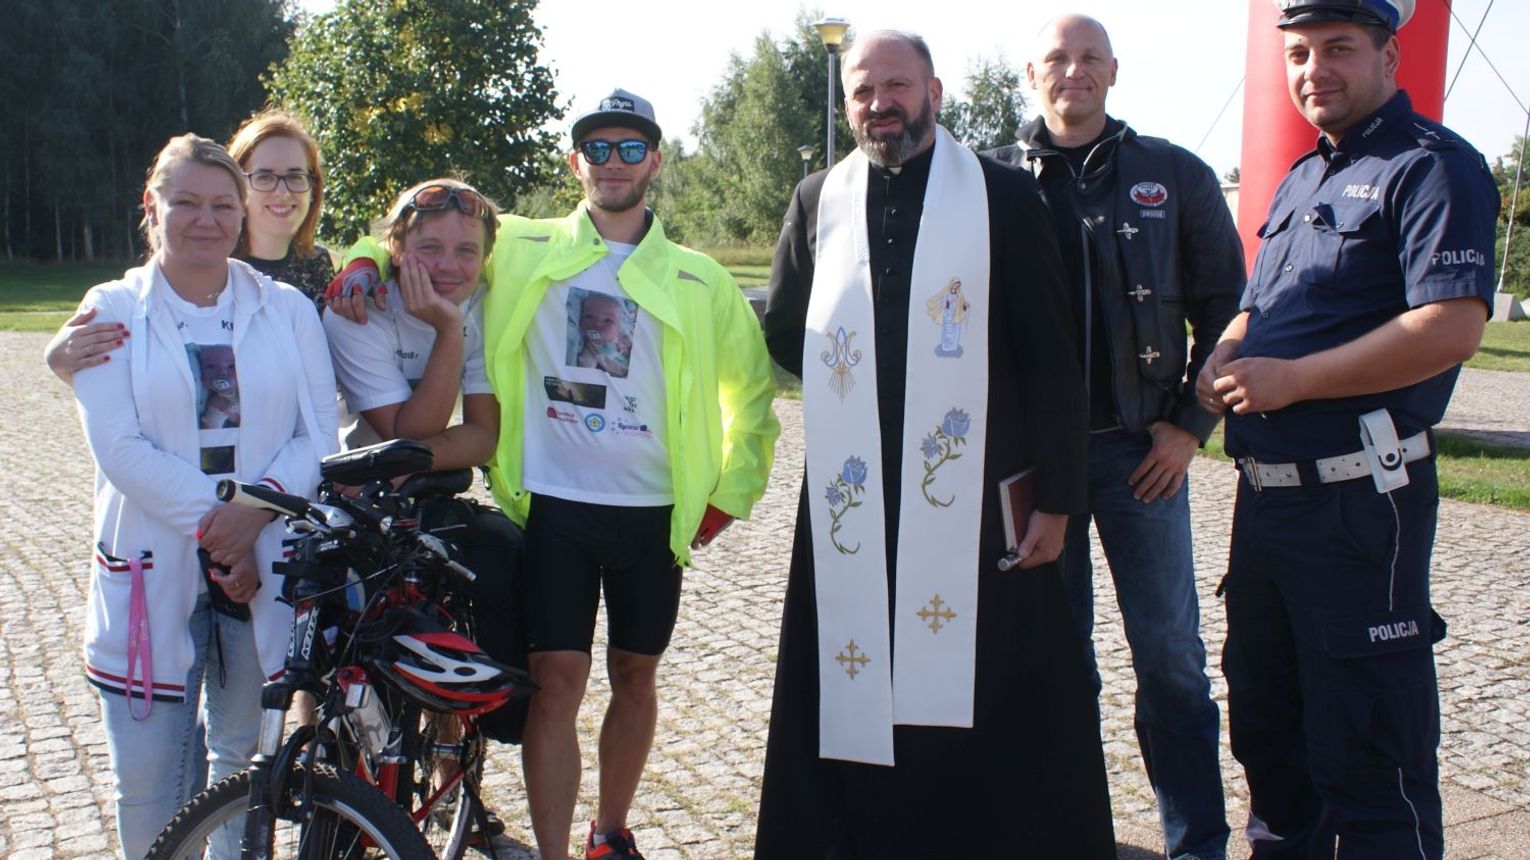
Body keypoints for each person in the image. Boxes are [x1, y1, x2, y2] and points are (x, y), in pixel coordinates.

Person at [757, 30, 1114, 857]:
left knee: (992, 685)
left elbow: (1054, 357)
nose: (879, 104)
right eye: (862, 90)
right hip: (855, 489)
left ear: (934, 93)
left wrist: (1059, 500)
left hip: (974, 490)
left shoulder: (1002, 195)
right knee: (852, 674)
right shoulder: (818, 198)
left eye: (897, 86)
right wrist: (863, 392)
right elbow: (786, 326)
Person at [1195, 1, 1498, 855]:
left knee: (1368, 754)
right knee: (1270, 735)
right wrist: (1224, 353)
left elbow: (1450, 327)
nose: (1313, 70)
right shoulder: (1303, 176)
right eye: (1297, 53)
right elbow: (1258, 307)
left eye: (1338, 48)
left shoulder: (1432, 167)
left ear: (1389, 55)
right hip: (1267, 509)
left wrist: (1293, 381)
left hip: (1358, 508)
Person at [471, 89, 778, 860]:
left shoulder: (701, 279)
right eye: (598, 149)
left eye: (630, 148)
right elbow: (423, 227)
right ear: (575, 162)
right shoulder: (521, 246)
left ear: (656, 161)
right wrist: (367, 261)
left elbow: (753, 395)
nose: (614, 162)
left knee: (636, 675)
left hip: (652, 512)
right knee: (556, 683)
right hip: (556, 506)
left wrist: (727, 496)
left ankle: (610, 832)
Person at [986, 15, 1243, 859]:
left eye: (1090, 57)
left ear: (1114, 71)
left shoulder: (1173, 174)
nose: (1075, 71)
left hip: (1143, 457)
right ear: (1032, 74)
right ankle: (1069, 836)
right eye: (1058, 58)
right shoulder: (989, 182)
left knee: (1170, 660)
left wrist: (1191, 427)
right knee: (1055, 664)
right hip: (1032, 467)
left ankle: (1196, 843)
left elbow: (1231, 311)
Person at [68, 133, 338, 858]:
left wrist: (253, 516)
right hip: (152, 569)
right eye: (185, 202)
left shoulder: (286, 309)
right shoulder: (111, 308)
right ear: (151, 206)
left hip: (262, 567)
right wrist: (222, 532)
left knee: (243, 767)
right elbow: (121, 448)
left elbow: (318, 435)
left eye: (223, 204)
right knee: (149, 783)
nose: (206, 219)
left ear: (242, 213)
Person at [45, 110, 334, 375]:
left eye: (296, 176)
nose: (282, 191)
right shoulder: (203, 264)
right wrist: (61, 364)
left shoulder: (322, 266)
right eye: (264, 177)